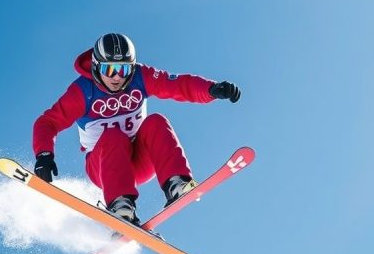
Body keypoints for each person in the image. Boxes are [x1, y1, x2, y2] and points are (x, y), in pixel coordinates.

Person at [32, 33, 241, 224]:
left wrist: (211, 89)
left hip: (140, 161)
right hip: (104, 167)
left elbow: (177, 85)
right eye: (109, 70)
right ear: (96, 67)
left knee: (156, 121)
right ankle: (121, 207)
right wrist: (44, 155)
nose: (117, 77)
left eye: (123, 69)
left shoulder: (140, 77)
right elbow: (48, 122)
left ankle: (177, 183)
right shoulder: (82, 91)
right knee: (113, 135)